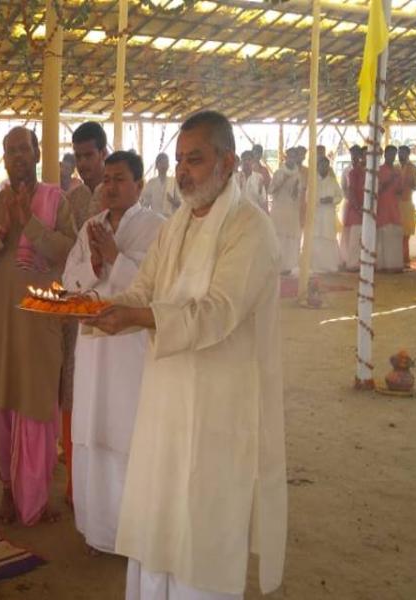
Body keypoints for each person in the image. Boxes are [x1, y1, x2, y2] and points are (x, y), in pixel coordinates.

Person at [86, 111, 286, 600]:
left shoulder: (251, 228)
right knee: (157, 523)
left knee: (202, 534)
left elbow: (218, 313)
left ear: (228, 161)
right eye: (179, 160)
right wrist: (91, 309)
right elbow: (143, 291)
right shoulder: (176, 224)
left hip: (219, 411)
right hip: (164, 404)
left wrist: (138, 318)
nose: (183, 171)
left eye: (194, 160)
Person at [0, 126, 76, 526]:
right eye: (10, 151)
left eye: (23, 149)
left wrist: (30, 223)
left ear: (36, 153)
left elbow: (68, 250)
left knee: (38, 406)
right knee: (3, 409)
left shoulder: (56, 201)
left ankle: (38, 497)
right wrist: (2, 231)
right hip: (1, 324)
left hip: (40, 321)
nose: (17, 157)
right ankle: (11, 492)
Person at [63, 150, 164, 555]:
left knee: (126, 433)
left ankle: (132, 534)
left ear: (139, 185)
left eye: (120, 179)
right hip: (92, 347)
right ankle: (99, 530)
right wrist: (94, 264)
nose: (111, 186)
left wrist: (116, 257)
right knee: (93, 430)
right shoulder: (90, 225)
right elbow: (70, 278)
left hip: (129, 350)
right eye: (107, 179)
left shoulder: (158, 229)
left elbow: (160, 288)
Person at [61, 120, 109, 505]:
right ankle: (78, 488)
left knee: (110, 401)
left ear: (103, 153)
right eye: (78, 157)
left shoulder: (123, 196)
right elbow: (68, 257)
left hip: (118, 317)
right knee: (75, 396)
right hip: (78, 312)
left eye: (89, 156)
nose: (83, 164)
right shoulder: (73, 201)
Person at [269, 147, 304, 274]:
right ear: (286, 157)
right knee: (279, 237)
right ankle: (277, 265)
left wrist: (295, 189)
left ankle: (288, 266)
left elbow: (297, 195)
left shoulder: (298, 175)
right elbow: (271, 190)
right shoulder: (279, 172)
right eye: (290, 156)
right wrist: (281, 181)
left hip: (291, 211)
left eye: (294, 157)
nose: (292, 159)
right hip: (279, 209)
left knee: (290, 238)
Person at [310, 156, 343, 273]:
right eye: (321, 165)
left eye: (326, 165)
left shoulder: (333, 181)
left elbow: (340, 196)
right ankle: (316, 267)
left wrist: (331, 200)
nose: (323, 168)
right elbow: (308, 197)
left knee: (329, 238)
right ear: (317, 167)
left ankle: (330, 266)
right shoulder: (313, 181)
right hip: (317, 214)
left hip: (329, 213)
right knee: (317, 238)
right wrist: (319, 201)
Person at [376, 145, 403, 272]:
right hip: (383, 206)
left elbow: (400, 190)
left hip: (394, 206)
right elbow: (378, 190)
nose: (392, 156)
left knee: (394, 235)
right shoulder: (379, 170)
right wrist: (389, 180)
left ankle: (394, 265)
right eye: (390, 154)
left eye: (394, 154)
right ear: (385, 155)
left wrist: (399, 188)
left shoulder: (397, 170)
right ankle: (383, 265)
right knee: (383, 235)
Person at [342, 146, 366, 271]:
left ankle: (362, 262)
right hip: (354, 207)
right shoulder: (351, 171)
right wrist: (357, 207)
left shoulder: (369, 171)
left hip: (365, 209)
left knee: (364, 237)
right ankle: (351, 263)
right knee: (353, 236)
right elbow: (348, 190)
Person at [140, 153, 179, 218]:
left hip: (170, 219)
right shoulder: (151, 183)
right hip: (155, 218)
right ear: (157, 165)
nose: (164, 165)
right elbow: (145, 204)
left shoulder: (173, 182)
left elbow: (181, 204)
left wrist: (173, 201)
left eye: (166, 162)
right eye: (161, 163)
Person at [398, 146, 416, 265]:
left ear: (408, 154)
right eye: (399, 153)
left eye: (403, 153)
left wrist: (413, 184)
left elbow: (415, 186)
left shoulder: (413, 168)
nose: (400, 155)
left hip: (407, 203)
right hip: (395, 204)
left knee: (406, 233)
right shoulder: (395, 168)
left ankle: (405, 259)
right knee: (396, 233)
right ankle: (396, 259)